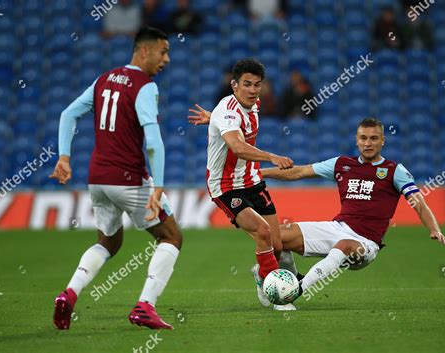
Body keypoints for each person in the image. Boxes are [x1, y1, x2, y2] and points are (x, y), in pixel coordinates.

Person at [50, 27, 182, 330]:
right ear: (144, 51)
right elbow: (153, 140)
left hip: (97, 177)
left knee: (109, 242)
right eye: (163, 52)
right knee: (172, 236)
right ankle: (145, 305)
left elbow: (68, 114)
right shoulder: (144, 86)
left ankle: (69, 294)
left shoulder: (103, 80)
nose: (167, 59)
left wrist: (64, 156)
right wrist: (158, 187)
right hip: (129, 178)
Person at [260, 118, 445, 301]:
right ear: (357, 140)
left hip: (365, 243)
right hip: (337, 227)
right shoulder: (342, 164)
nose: (368, 143)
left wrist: (434, 228)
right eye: (363, 138)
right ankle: (274, 281)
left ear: (383, 141)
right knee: (276, 237)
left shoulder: (394, 170)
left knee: (345, 244)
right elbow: (299, 171)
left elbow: (419, 202)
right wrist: (260, 173)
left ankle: (296, 291)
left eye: (373, 138)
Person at [188, 58, 297, 310]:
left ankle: (261, 272)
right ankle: (274, 293)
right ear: (234, 85)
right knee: (263, 232)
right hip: (225, 186)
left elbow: (229, 124)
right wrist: (272, 156)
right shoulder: (228, 110)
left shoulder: (254, 104)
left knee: (277, 247)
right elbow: (237, 147)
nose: (252, 90)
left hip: (252, 180)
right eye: (246, 84)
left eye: (257, 85)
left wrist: (212, 118)